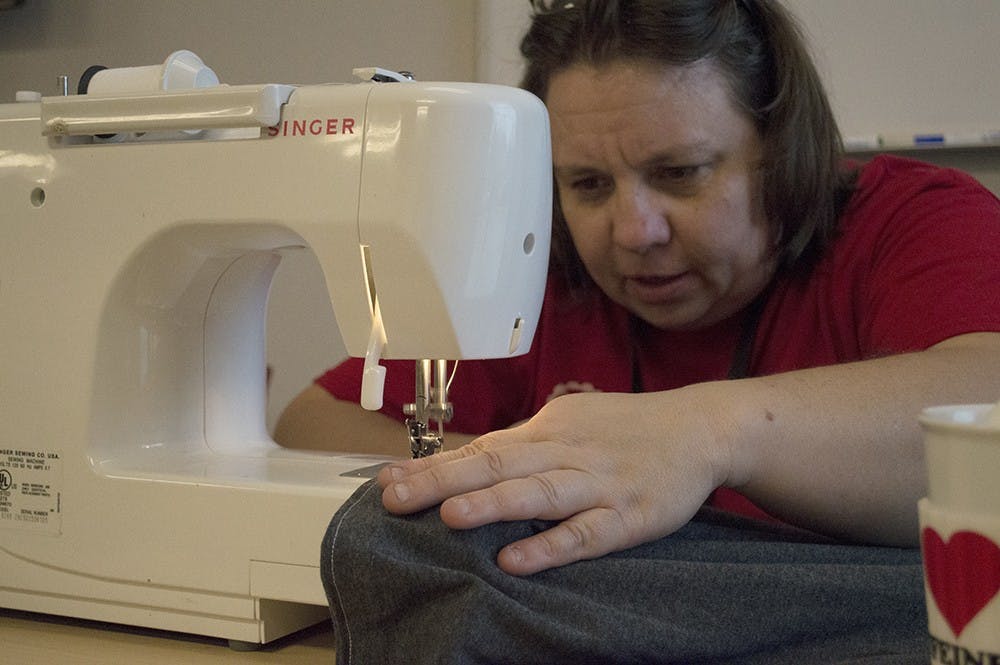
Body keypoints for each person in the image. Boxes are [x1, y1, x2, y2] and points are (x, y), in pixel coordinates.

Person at [278, 0, 1000, 660]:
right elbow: (312, 421)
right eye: (588, 185)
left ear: (779, 149)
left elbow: (987, 402)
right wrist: (540, 475)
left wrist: (704, 432)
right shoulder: (547, 282)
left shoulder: (913, 222)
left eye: (680, 172)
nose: (633, 232)